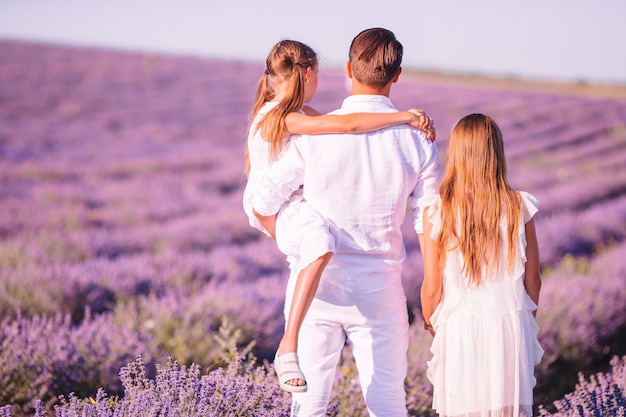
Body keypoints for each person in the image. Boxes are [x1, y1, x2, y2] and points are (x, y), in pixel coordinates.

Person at [253, 28, 440, 416]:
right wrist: (432, 290)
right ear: (397, 75)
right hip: (380, 289)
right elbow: (429, 221)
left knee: (309, 404)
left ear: (349, 69)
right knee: (387, 401)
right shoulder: (419, 138)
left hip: (317, 289)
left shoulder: (316, 131)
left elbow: (263, 202)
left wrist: (291, 238)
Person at [420, 113, 543, 417]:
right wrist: (526, 318)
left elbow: (432, 286)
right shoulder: (518, 205)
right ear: (496, 153)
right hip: (509, 325)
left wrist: (431, 321)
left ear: (457, 153)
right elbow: (534, 279)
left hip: (460, 324)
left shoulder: (438, 209)